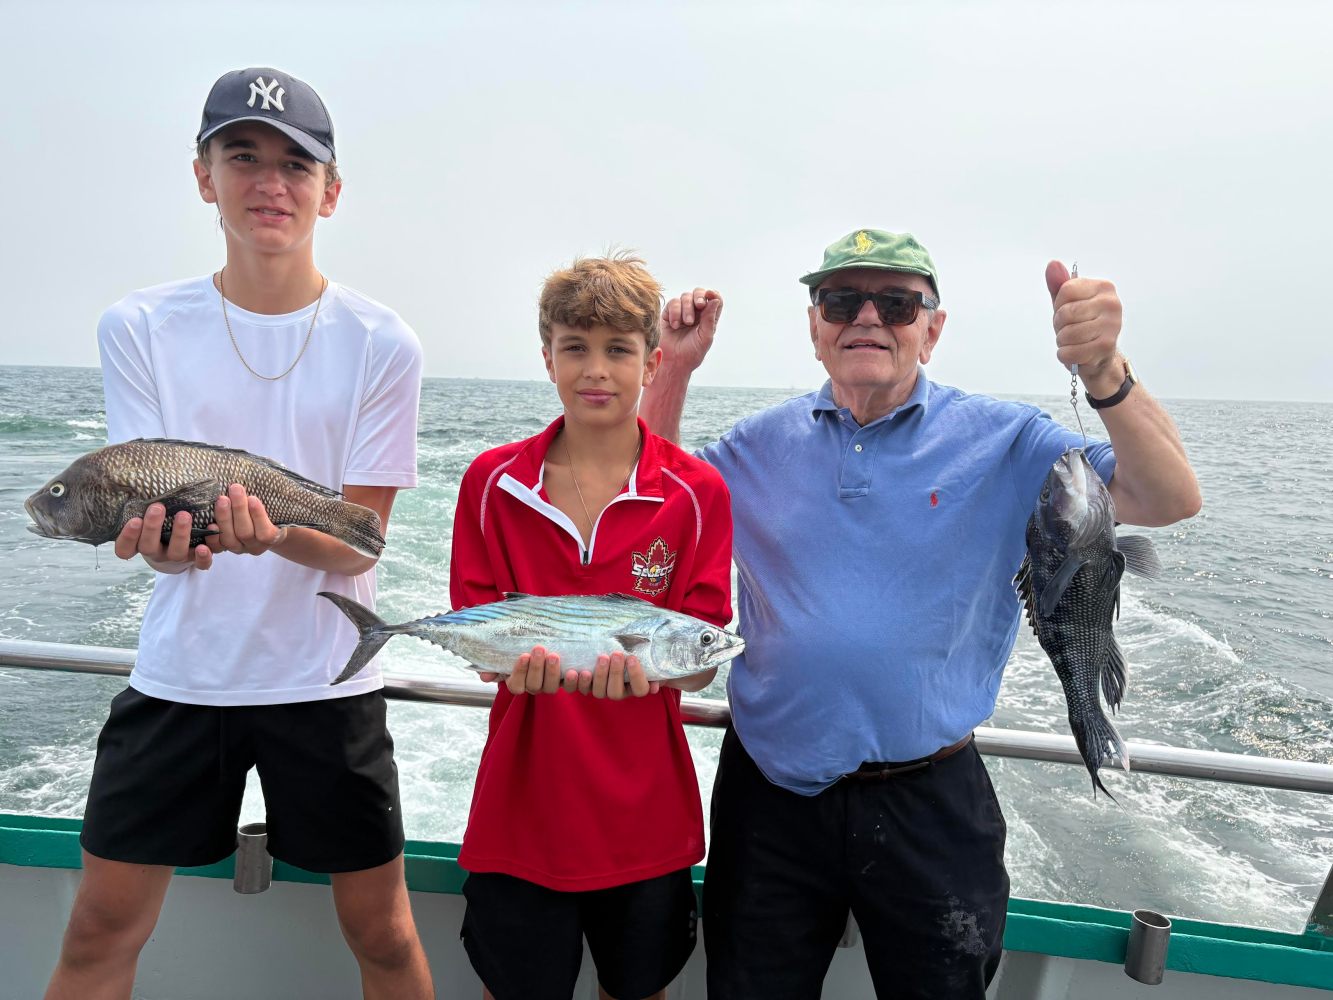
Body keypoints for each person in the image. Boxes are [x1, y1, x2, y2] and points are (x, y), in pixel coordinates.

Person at [640, 228, 1202, 999]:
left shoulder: (1007, 439)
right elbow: (652, 508)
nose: (865, 317)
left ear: (931, 331)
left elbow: (1168, 498)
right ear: (814, 328)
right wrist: (670, 370)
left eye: (897, 303)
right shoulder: (751, 445)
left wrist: (1103, 369)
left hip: (930, 801)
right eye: (841, 300)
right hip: (769, 798)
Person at [45, 67, 433, 1000]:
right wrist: (158, 539)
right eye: (243, 156)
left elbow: (361, 545)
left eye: (297, 164)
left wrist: (277, 535)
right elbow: (138, 499)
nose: (271, 182)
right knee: (99, 926)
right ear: (202, 175)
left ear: (330, 192)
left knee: (381, 933)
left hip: (324, 678)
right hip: (183, 674)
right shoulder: (137, 324)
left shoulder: (384, 342)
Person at [449, 254, 734, 1000]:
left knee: (637, 992)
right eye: (575, 347)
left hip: (645, 817)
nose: (595, 370)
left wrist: (665, 667)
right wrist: (508, 665)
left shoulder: (696, 493)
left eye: (618, 349)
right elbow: (482, 643)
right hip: (520, 813)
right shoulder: (491, 483)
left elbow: (700, 657)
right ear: (547, 357)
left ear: (652, 361)